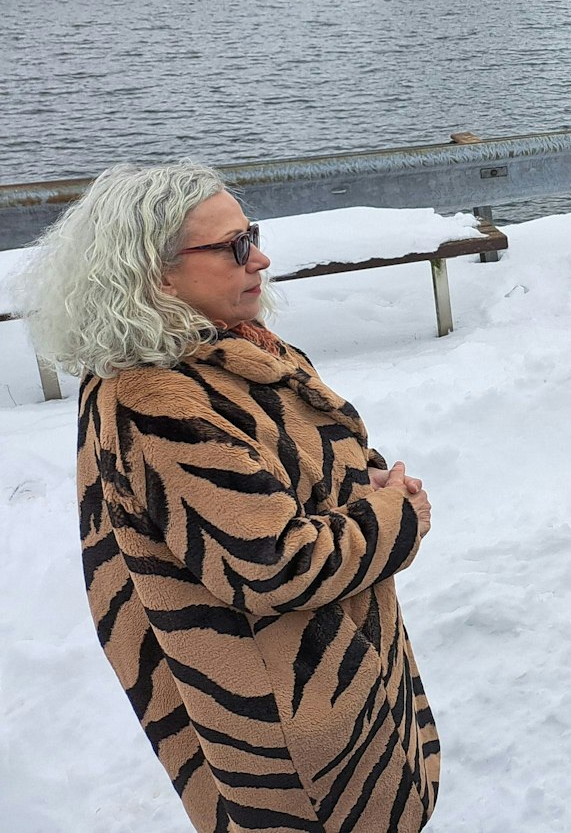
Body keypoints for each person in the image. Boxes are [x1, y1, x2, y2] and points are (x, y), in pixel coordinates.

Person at [15, 162, 440, 831]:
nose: (260, 257)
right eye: (235, 246)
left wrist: (367, 481)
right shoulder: (159, 402)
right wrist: (397, 515)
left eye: (254, 234)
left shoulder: (232, 349)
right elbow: (275, 561)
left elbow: (303, 460)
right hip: (295, 733)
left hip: (331, 673)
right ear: (154, 272)